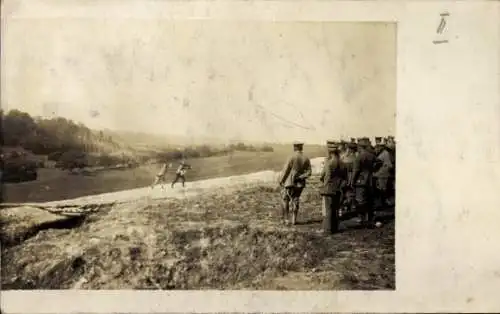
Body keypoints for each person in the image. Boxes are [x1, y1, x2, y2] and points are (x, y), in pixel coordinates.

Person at [278, 141, 312, 225]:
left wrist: (281, 180)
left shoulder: (291, 156)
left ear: (295, 147)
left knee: (286, 199)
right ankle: (294, 219)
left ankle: (286, 219)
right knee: (296, 199)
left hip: (290, 182)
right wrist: (301, 177)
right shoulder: (306, 158)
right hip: (300, 183)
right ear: (301, 147)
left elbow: (286, 170)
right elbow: (309, 172)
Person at [349, 137, 380, 227]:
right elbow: (379, 162)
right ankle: (369, 218)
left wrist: (352, 181)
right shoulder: (371, 155)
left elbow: (356, 171)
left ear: (359, 147)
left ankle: (362, 219)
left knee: (360, 200)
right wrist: (373, 170)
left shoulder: (358, 157)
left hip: (361, 181)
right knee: (369, 199)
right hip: (370, 180)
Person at [320, 141, 347, 234]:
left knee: (328, 209)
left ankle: (328, 229)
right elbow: (345, 177)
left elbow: (323, 176)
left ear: (330, 152)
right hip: (338, 188)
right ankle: (335, 228)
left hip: (329, 189)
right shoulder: (343, 163)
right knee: (336, 208)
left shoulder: (329, 163)